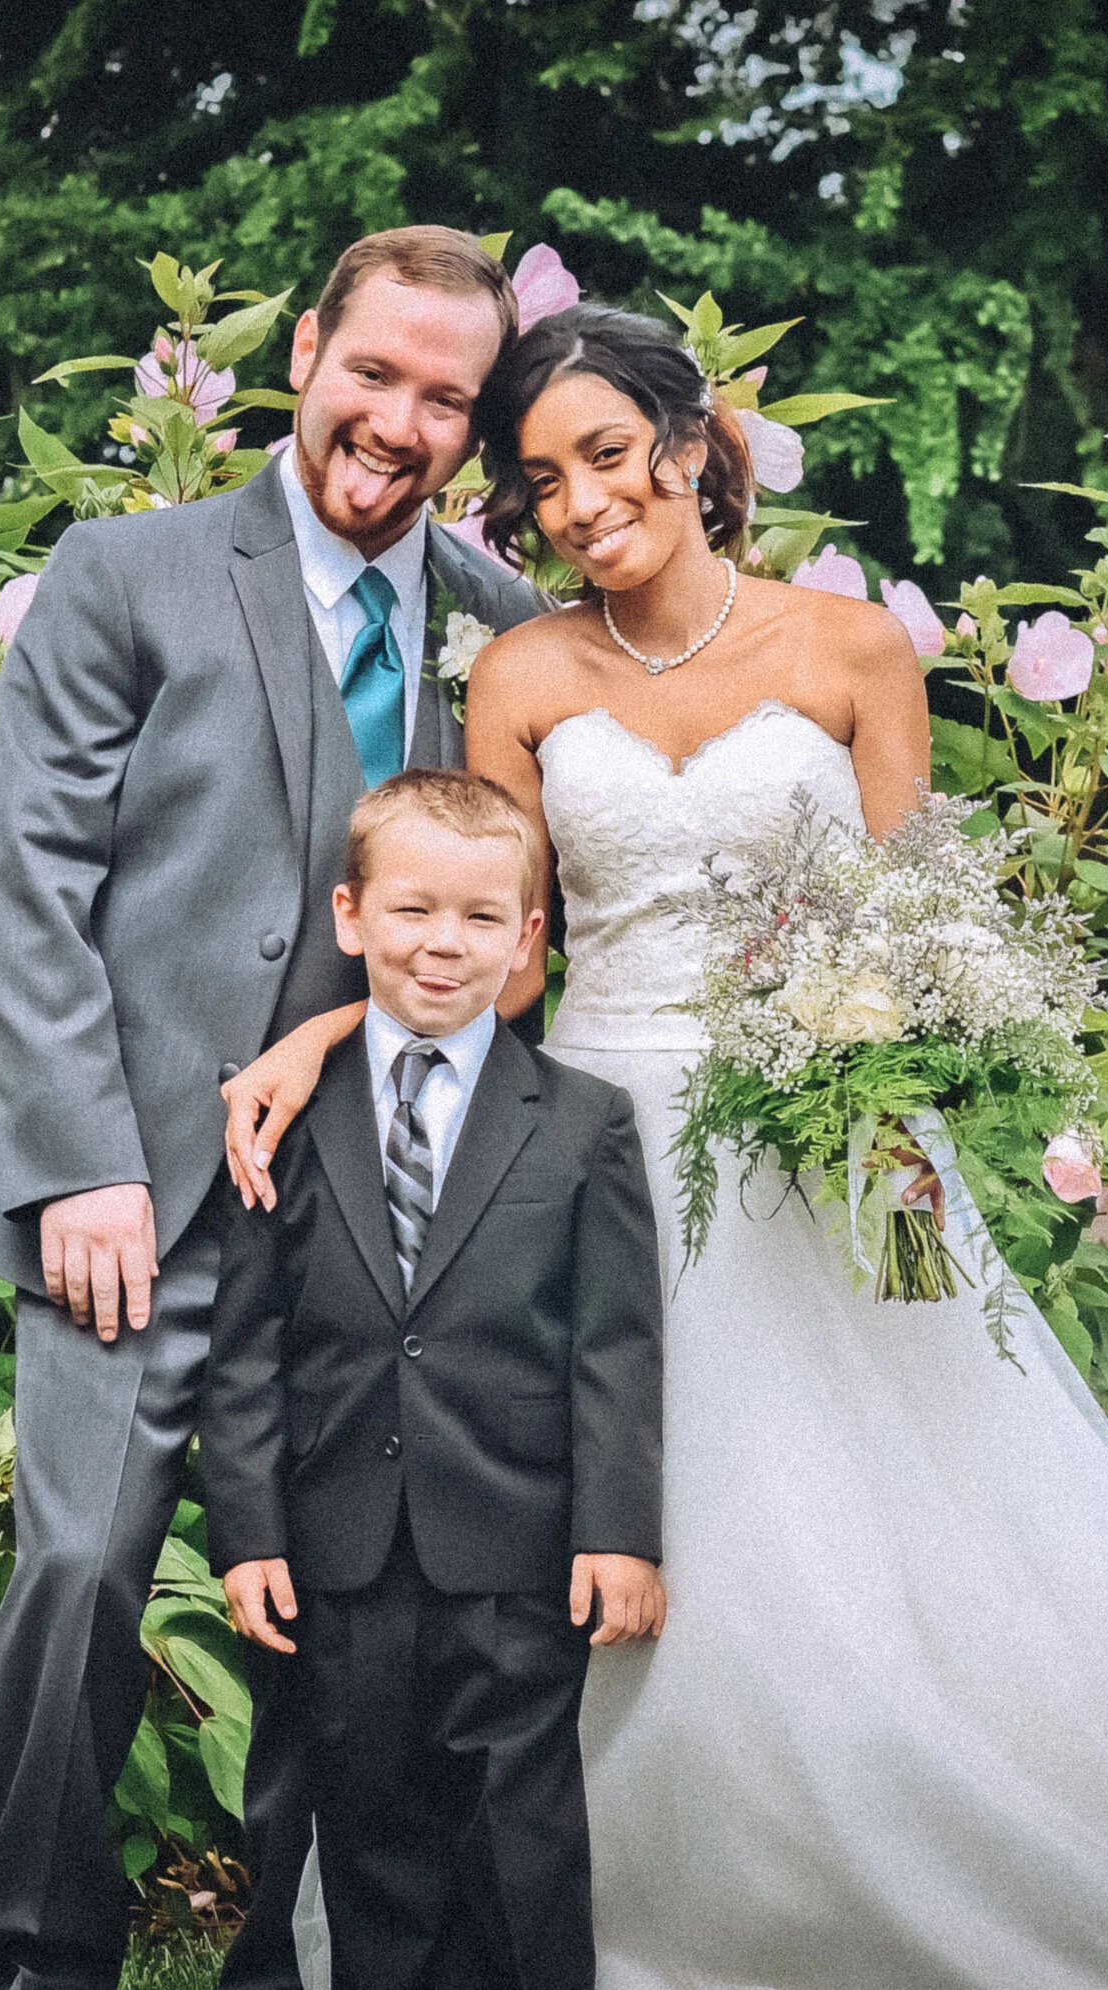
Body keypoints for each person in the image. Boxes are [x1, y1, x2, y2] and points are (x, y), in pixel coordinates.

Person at [226, 303, 1108, 1989]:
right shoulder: (521, 674)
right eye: (542, 479)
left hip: (840, 1135)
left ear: (695, 449)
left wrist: (890, 1082)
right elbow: (492, 937)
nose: (578, 505)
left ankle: (921, 1887)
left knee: (916, 1519)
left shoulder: (851, 650)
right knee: (604, 1498)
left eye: (609, 457)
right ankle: (619, 1915)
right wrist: (331, 1030)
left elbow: (917, 918)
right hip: (589, 1140)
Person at [0, 227, 548, 1990]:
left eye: (447, 399)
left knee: (353, 1632)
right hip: (134, 1200)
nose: (400, 421)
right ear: (307, 350)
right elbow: (31, 876)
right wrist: (78, 1168)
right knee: (76, 1581)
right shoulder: (124, 576)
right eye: (376, 372)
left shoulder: (501, 632)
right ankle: (31, 1959)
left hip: (390, 1232)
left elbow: (529, 926)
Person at [205, 769, 665, 1990]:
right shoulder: (284, 1115)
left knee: (518, 1837)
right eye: (412, 912)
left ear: (526, 939)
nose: (442, 945)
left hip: (515, 1544)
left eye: (477, 919)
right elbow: (246, 1340)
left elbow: (614, 1343)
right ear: (350, 916)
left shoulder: (581, 1122)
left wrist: (618, 1530)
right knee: (373, 1833)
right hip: (339, 1545)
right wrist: (248, 1527)